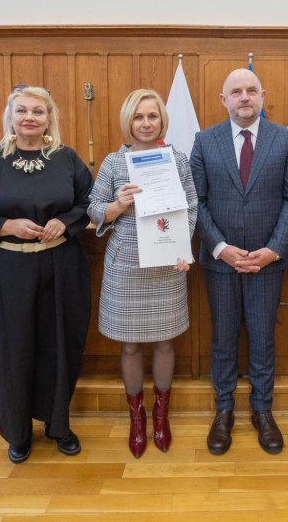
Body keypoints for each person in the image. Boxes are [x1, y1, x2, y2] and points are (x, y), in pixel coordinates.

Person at [0, 86, 93, 464]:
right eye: (22, 111)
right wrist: (6, 225)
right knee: (11, 349)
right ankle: (17, 432)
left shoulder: (66, 159)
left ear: (50, 119)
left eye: (38, 111)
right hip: (4, 270)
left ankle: (59, 425)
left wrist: (63, 223)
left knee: (58, 345)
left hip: (59, 266)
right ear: (10, 116)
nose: (30, 117)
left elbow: (87, 204)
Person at [189, 68, 288, 455]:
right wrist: (221, 247)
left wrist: (274, 248)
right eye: (235, 92)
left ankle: (262, 411)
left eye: (251, 91)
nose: (244, 97)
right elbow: (197, 201)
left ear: (262, 96)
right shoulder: (204, 141)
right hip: (221, 261)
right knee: (222, 340)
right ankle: (223, 411)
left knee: (262, 338)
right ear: (224, 100)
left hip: (267, 262)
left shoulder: (285, 140)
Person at [87, 89, 198, 458]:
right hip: (127, 265)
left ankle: (161, 416)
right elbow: (93, 210)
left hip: (167, 263)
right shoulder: (112, 162)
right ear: (128, 122)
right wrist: (119, 204)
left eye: (152, 116)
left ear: (161, 120)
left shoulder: (177, 160)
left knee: (166, 342)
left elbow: (192, 205)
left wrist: (183, 247)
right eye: (139, 117)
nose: (146, 123)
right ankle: (137, 421)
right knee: (130, 343)